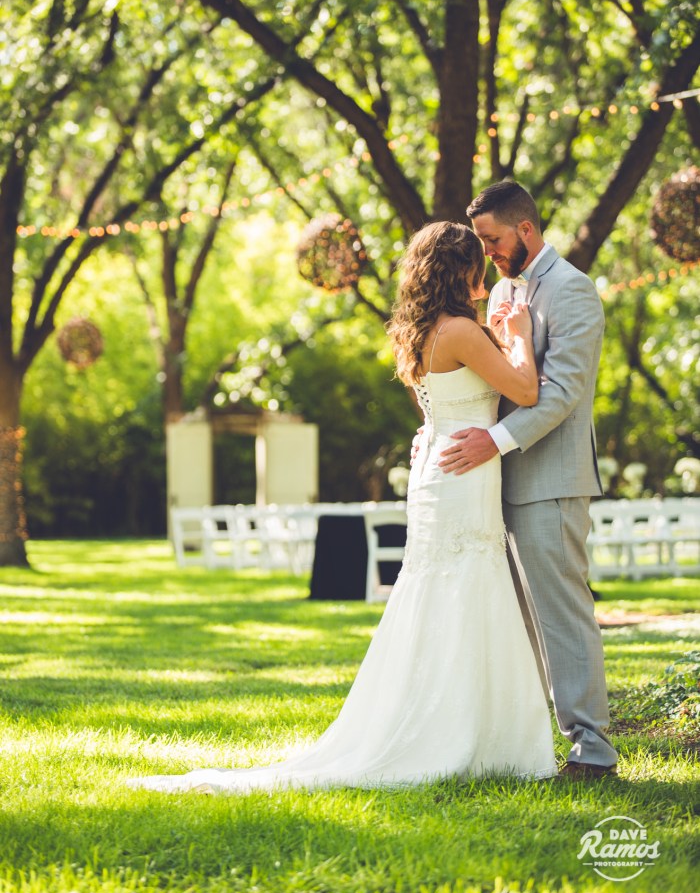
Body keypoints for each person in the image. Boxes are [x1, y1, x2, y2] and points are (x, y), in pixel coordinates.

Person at [128, 221, 557, 794]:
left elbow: (442, 408)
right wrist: (521, 335)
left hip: (439, 468)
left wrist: (493, 343)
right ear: (463, 271)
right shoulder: (461, 331)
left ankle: (458, 722)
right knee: (465, 585)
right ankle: (470, 733)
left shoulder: (418, 332)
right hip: (463, 473)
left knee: (439, 589)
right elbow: (525, 391)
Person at [439, 180, 617, 779]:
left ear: (526, 230)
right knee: (518, 618)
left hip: (551, 480)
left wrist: (494, 439)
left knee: (561, 615)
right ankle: (533, 742)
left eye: (492, 239)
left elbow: (564, 393)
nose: (487, 252)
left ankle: (592, 750)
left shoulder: (572, 290)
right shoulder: (505, 293)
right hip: (495, 482)